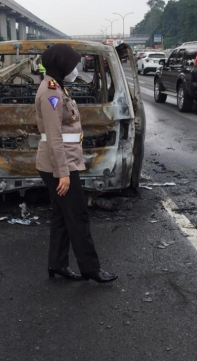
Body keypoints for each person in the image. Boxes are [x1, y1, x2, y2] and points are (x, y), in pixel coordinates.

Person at [35, 44, 117, 284]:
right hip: (60, 165)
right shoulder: (51, 92)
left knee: (62, 215)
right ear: (62, 65)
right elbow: (54, 135)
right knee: (78, 216)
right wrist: (63, 173)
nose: (75, 68)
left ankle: (57, 264)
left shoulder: (57, 87)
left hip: (60, 163)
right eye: (72, 64)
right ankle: (90, 268)